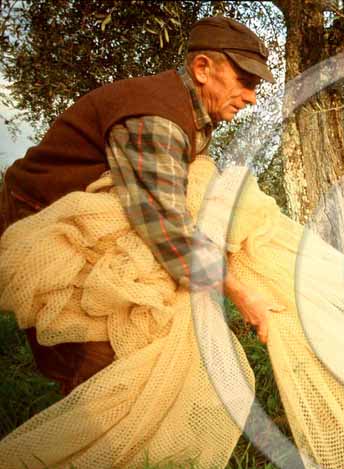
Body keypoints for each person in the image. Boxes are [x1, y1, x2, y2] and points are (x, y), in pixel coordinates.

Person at [0, 15, 282, 395]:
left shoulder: (191, 109)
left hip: (93, 217)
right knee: (96, 346)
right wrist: (242, 294)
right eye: (245, 82)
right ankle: (85, 436)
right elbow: (168, 231)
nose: (251, 97)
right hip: (38, 216)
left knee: (140, 318)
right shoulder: (157, 120)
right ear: (202, 69)